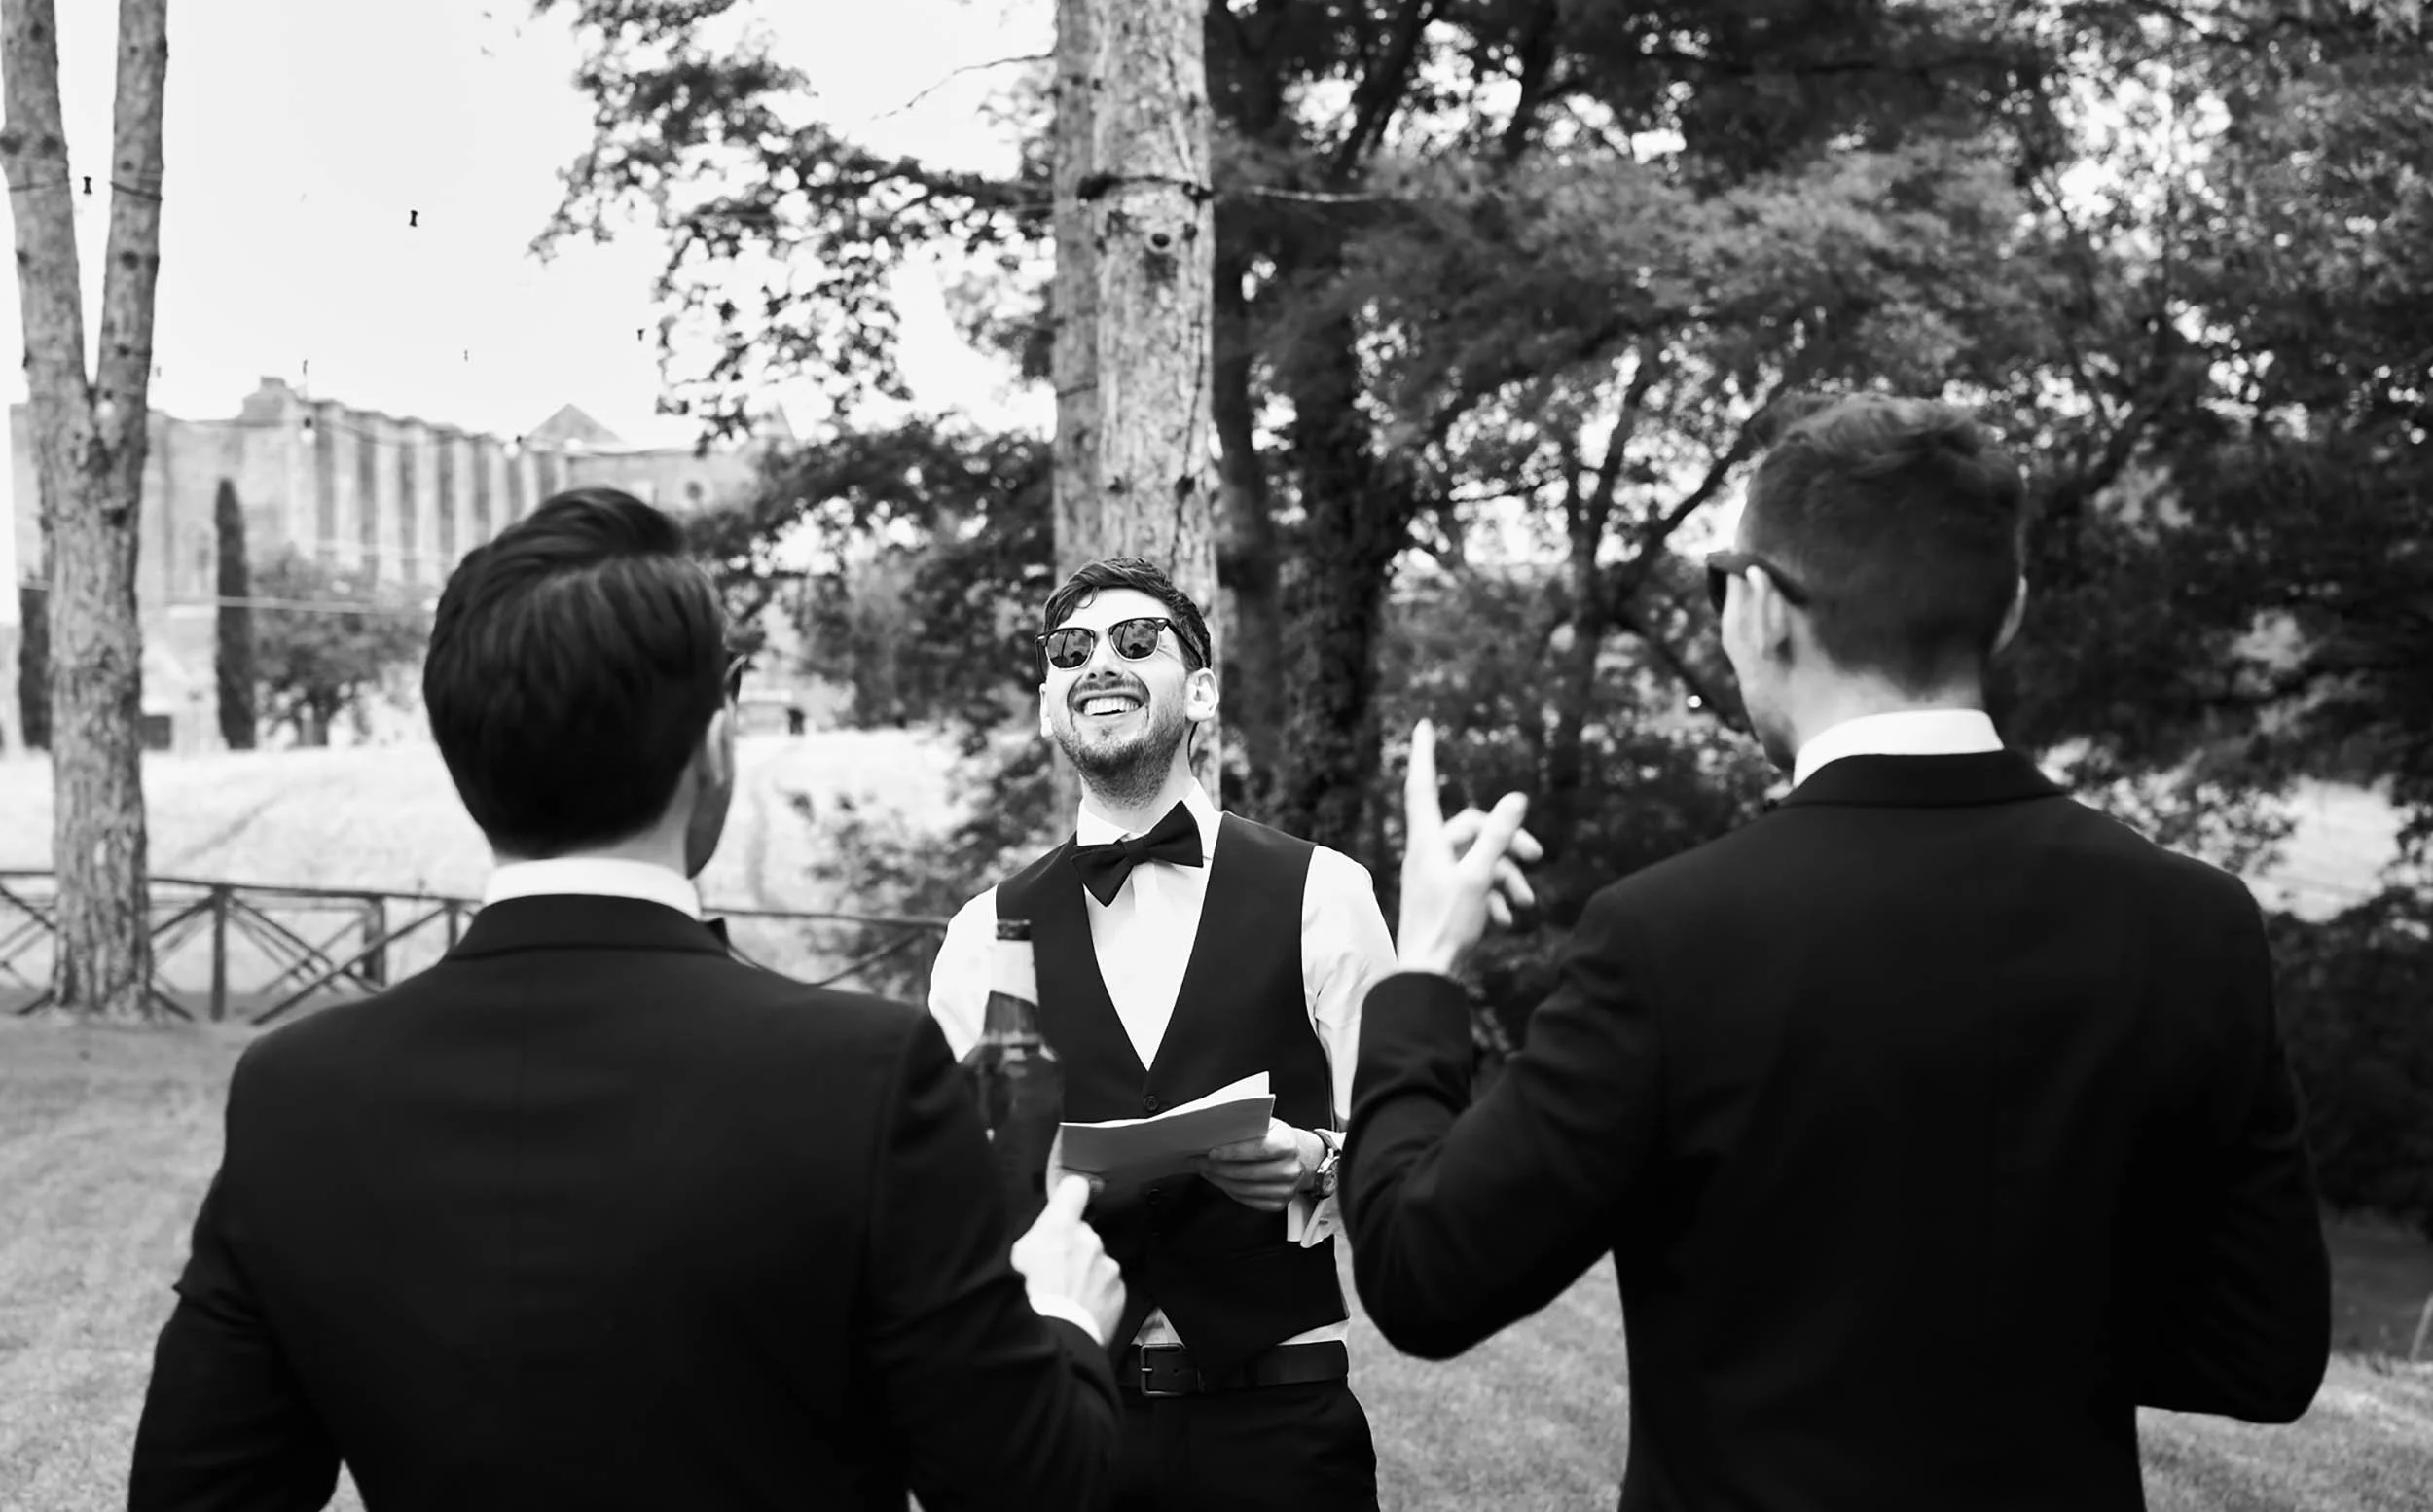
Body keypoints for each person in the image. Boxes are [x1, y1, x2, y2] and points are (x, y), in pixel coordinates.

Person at [1345, 395, 2333, 1511]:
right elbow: (2267, 1350)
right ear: (2005, 613)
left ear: (1760, 605)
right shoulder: (2195, 923)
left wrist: (1423, 967)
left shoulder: (1669, 938)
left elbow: (1421, 1271)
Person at [128, 487, 1127, 1512]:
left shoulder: (295, 1096)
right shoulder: (866, 1078)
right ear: (715, 740)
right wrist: (1057, 1312)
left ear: (459, 745)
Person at [929, 557, 1398, 1512]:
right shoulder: (983, 931)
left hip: (1277, 1417)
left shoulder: (1325, 890)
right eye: (1071, 649)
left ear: (1203, 691)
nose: (1099, 661)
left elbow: (1414, 1151)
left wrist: (1312, 1161)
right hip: (1069, 1425)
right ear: (1049, 704)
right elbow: (947, 1199)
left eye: (1137, 640)